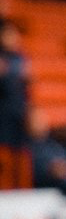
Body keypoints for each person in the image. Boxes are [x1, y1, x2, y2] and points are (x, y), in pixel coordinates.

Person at [0, 20, 30, 190]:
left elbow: (26, 89)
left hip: (19, 114)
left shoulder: (21, 58)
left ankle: (20, 193)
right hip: (3, 116)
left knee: (21, 159)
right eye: (8, 34)